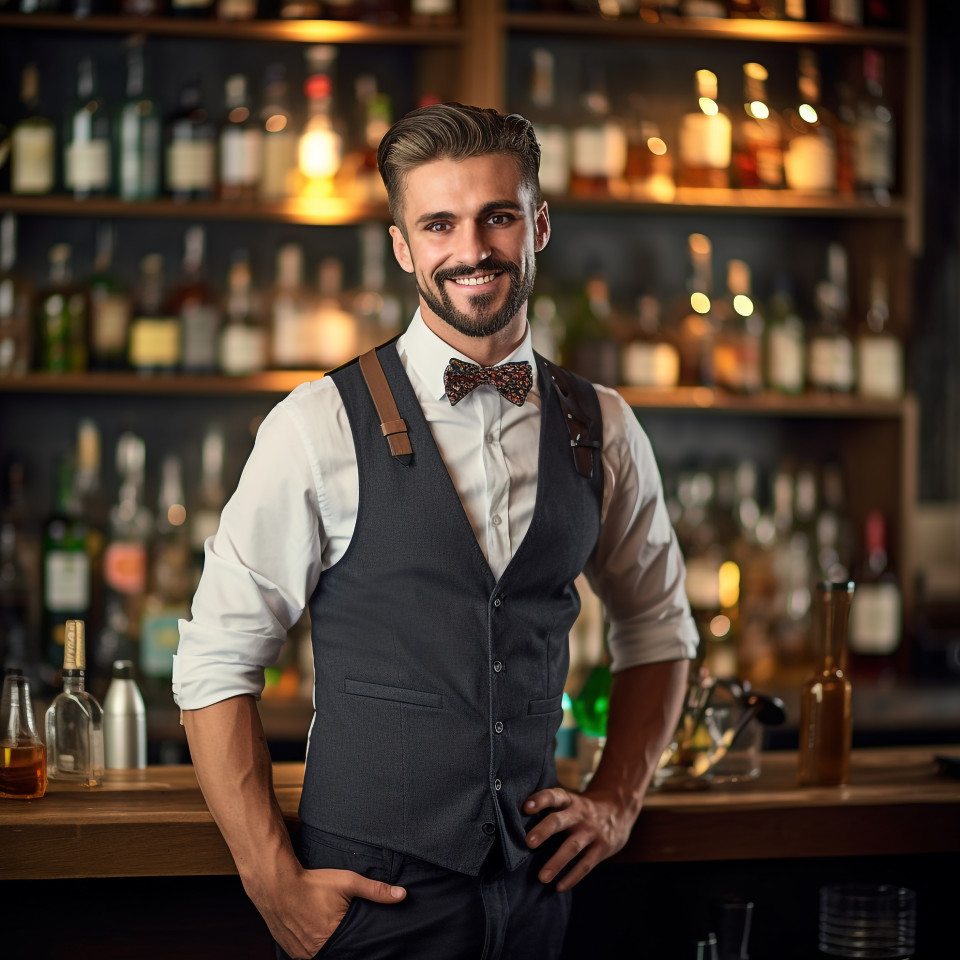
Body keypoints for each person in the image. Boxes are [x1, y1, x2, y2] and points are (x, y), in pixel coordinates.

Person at [173, 102, 698, 960]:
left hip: (538, 895)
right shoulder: (316, 426)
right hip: (369, 902)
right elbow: (214, 661)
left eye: (497, 216)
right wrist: (274, 883)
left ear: (539, 224)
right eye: (439, 223)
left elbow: (660, 628)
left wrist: (617, 799)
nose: (473, 250)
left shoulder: (602, 425)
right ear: (402, 246)